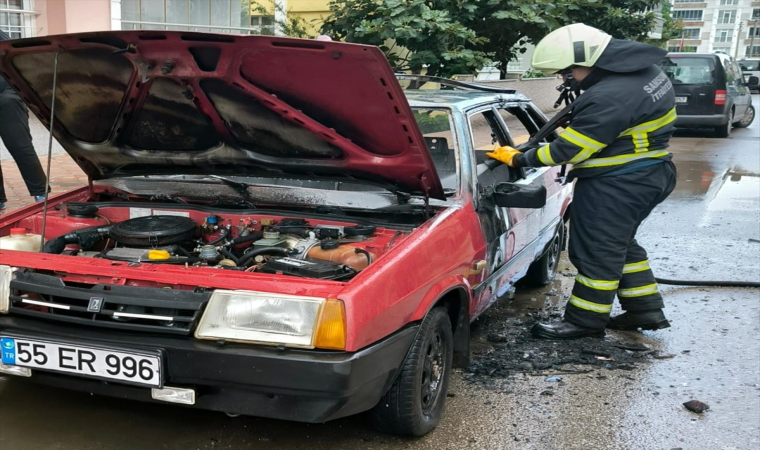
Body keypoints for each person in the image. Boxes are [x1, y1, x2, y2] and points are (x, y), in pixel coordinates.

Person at [486, 23, 677, 339]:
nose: (566, 78)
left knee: (596, 251)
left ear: (591, 58)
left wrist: (520, 158)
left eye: (569, 70)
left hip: (618, 183)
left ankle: (584, 322)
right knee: (618, 244)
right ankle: (645, 310)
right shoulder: (645, 73)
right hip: (649, 173)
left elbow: (570, 149)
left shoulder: (610, 96)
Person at [0, 30, 48, 210]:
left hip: (6, 95)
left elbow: (15, 55)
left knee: (20, 146)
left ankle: (40, 192)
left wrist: (12, 90)